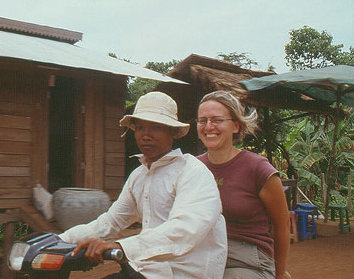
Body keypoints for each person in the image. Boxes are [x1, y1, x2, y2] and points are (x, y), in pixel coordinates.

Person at [59, 91, 227, 279]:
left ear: (173, 132)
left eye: (155, 127)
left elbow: (184, 230)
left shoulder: (193, 171)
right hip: (145, 270)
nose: (146, 135)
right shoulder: (139, 176)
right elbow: (111, 222)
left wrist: (120, 245)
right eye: (139, 128)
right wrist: (61, 240)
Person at [196, 90, 291, 279]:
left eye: (217, 120)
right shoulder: (192, 167)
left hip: (247, 261)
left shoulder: (258, 168)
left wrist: (279, 274)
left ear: (236, 126)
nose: (208, 126)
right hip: (201, 258)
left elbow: (282, 226)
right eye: (202, 120)